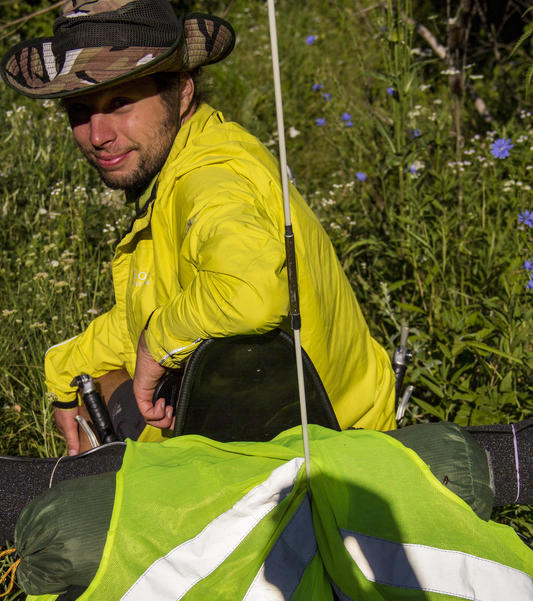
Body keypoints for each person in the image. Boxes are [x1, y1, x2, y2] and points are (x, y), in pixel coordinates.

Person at [1, 0, 397, 455]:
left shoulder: (211, 179)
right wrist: (66, 368)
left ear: (182, 91)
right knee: (95, 383)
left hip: (327, 453)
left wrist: (157, 345)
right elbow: (148, 311)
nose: (97, 134)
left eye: (121, 102)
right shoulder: (185, 161)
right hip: (287, 434)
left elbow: (247, 294)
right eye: (79, 110)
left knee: (102, 415)